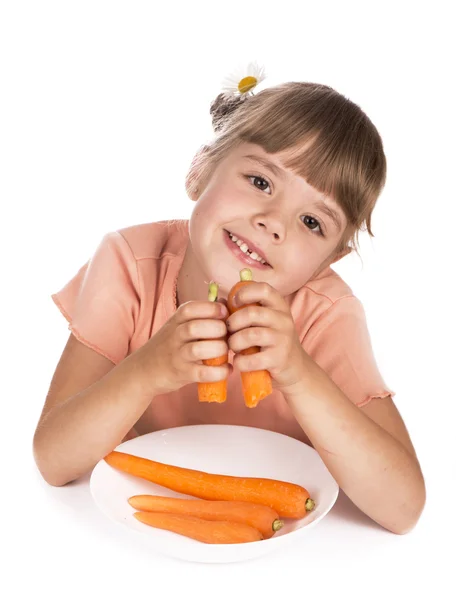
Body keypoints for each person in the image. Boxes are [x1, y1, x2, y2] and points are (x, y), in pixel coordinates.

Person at [33, 63, 425, 534]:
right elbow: (54, 461)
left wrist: (300, 374)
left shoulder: (327, 315)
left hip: (282, 528)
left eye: (312, 222)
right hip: (150, 518)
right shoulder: (128, 264)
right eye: (260, 182)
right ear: (201, 170)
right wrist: (146, 371)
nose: (273, 222)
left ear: (328, 261)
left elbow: (404, 510)